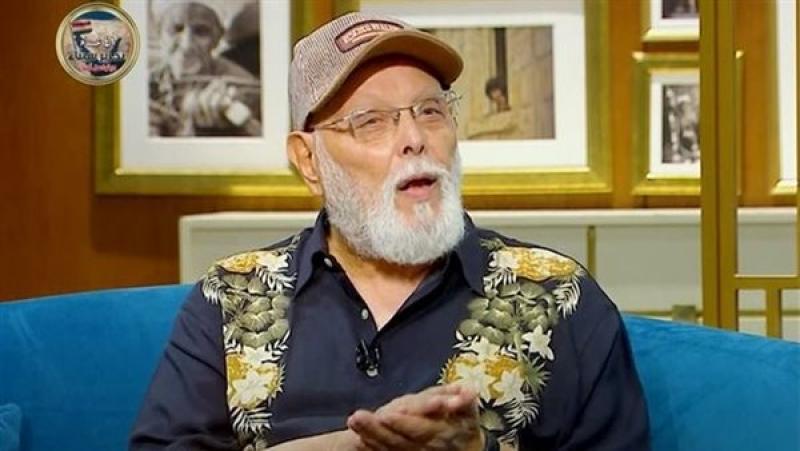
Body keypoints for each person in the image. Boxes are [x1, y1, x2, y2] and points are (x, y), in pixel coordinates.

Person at [130, 12, 650, 450]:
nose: (414, 139)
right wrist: (352, 445)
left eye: (431, 111)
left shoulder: (557, 294)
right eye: (371, 121)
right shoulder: (230, 297)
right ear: (308, 160)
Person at [149, 1, 261, 137]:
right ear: (159, 34)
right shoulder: (147, 83)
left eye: (201, 32)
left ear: (218, 38)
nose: (187, 45)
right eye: (176, 29)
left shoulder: (242, 86)